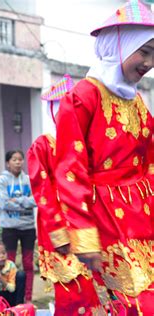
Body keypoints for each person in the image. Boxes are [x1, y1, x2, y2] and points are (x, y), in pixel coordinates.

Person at [54, 1, 154, 313]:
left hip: (143, 218)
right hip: (105, 220)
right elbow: (70, 167)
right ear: (120, 45)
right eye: (144, 51)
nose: (149, 62)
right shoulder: (84, 95)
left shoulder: (137, 101)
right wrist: (83, 235)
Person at [28, 75, 105, 315]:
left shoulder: (87, 145)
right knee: (72, 290)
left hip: (90, 222)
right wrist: (57, 231)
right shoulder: (43, 145)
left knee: (97, 288)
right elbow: (42, 191)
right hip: (60, 225)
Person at [0, 150, 36, 302]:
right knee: (8, 263)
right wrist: (25, 202)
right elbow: (4, 204)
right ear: (8, 162)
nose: (18, 162)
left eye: (20, 159)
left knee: (28, 263)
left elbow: (36, 200)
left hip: (28, 228)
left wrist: (16, 201)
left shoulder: (29, 179)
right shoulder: (1, 181)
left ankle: (28, 298)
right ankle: (9, 298)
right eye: (14, 159)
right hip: (9, 227)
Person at [0, 241, 26, 307]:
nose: (2, 256)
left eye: (4, 253)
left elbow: (12, 289)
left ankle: (18, 307)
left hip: (10, 295)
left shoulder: (10, 265)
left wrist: (0, 278)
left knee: (21, 274)